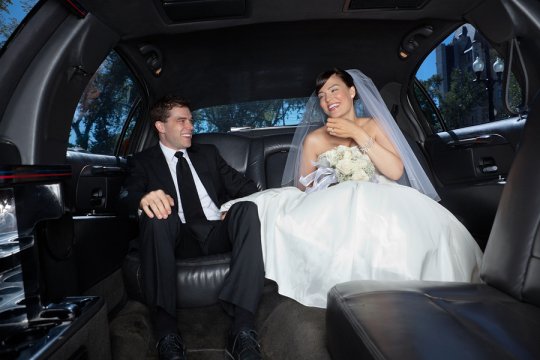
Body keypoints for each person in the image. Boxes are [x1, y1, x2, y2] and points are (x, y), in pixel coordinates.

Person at [220, 68, 483, 308]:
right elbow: (303, 191)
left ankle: (405, 299)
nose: (327, 99)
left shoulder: (374, 126)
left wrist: (358, 134)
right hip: (333, 206)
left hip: (381, 199)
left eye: (334, 90)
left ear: (352, 92)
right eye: (322, 96)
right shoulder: (314, 139)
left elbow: (394, 171)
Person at [119, 96, 264, 360]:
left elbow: (246, 190)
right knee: (157, 216)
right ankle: (166, 333)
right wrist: (143, 199)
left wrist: (229, 206)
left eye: (191, 121)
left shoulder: (207, 154)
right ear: (160, 126)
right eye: (181, 121)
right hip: (176, 236)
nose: (190, 127)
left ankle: (242, 329)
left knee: (247, 209)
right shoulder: (143, 161)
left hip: (216, 229)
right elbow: (125, 195)